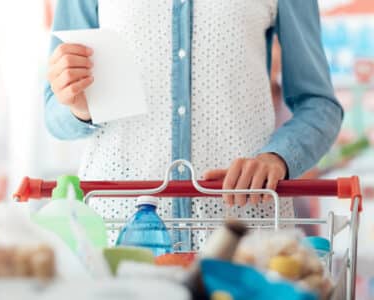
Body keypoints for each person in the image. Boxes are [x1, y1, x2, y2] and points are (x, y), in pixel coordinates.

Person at [45, 0, 343, 248]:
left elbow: (319, 104)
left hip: (241, 239)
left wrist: (277, 158)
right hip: (116, 234)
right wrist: (77, 107)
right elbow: (53, 113)